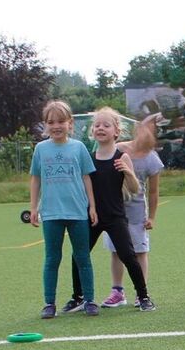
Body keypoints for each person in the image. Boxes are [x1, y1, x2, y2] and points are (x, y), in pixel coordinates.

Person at [65, 107, 156, 313]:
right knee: (78, 255)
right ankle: (78, 297)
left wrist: (128, 173)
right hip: (92, 216)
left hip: (115, 217)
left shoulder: (122, 158)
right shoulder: (88, 158)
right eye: (97, 125)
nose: (100, 128)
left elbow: (134, 189)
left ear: (117, 131)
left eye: (106, 125)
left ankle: (143, 296)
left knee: (128, 255)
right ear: (92, 131)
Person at [28, 100, 100, 319]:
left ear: (70, 123)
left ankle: (89, 300)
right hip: (51, 213)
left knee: (82, 257)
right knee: (52, 258)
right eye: (51, 122)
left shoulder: (78, 148)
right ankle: (49, 303)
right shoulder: (41, 149)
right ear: (45, 125)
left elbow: (86, 177)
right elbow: (35, 178)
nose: (56, 126)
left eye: (61, 121)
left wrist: (92, 206)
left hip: (77, 212)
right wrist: (33, 207)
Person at [100, 114, 165, 309]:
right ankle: (117, 291)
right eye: (144, 128)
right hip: (114, 209)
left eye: (152, 131)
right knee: (116, 251)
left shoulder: (152, 159)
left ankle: (141, 292)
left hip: (137, 212)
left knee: (140, 251)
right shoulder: (119, 149)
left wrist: (152, 217)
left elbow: (153, 192)